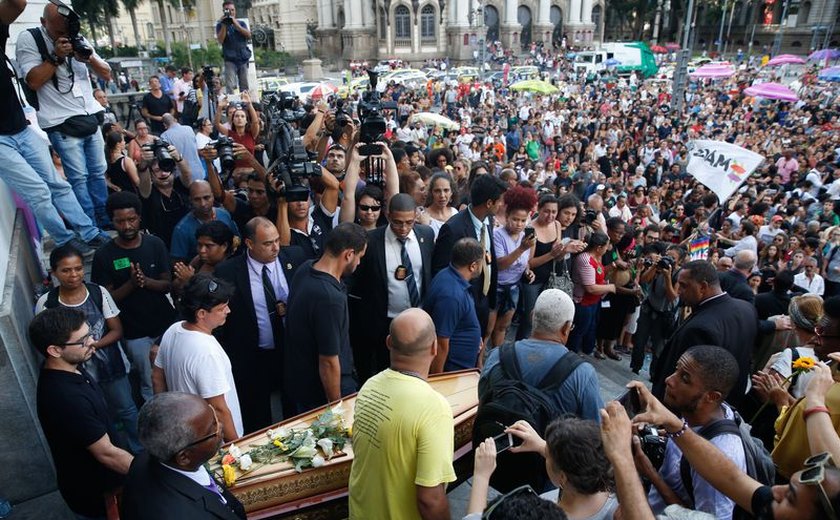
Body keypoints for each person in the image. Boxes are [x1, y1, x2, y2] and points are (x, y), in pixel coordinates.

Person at [628, 379, 840, 520]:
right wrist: (674, 424)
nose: (776, 489)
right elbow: (732, 479)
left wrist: (622, 459)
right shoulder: (776, 504)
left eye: (791, 498)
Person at [0, 0, 108, 256]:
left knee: (58, 185)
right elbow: (34, 80)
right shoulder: (31, 39)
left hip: (21, 129)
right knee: (38, 192)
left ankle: (90, 233)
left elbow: (16, 4)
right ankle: (66, 240)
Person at [348, 308, 455, 520]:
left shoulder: (369, 386)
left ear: (388, 342)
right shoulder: (434, 408)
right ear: (435, 347)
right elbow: (430, 499)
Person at [36, 244, 141, 455]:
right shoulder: (47, 303)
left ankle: (140, 451)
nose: (73, 275)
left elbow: (116, 329)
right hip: (77, 372)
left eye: (77, 268)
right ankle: (116, 454)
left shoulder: (97, 292)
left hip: (111, 364)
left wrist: (93, 345)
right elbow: (46, 342)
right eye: (66, 270)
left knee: (127, 409)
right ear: (54, 272)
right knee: (100, 416)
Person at [30, 307, 133, 519]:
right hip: (96, 497)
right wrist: (153, 476)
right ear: (54, 350)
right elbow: (106, 453)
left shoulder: (71, 366)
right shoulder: (66, 398)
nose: (92, 342)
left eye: (90, 335)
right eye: (83, 340)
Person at [214, 217, 306, 431]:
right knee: (257, 418)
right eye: (267, 243)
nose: (275, 248)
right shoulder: (228, 272)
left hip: (291, 353)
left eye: (276, 240)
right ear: (249, 243)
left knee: (295, 412)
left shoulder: (295, 257)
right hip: (252, 357)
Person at [634, 345, 746, 519]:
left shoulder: (722, 455)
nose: (669, 380)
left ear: (712, 397)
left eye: (685, 378)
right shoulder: (701, 414)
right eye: (676, 370)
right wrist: (656, 432)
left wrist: (649, 472)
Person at [92, 192, 176, 403]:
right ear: (112, 222)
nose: (127, 226)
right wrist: (131, 284)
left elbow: (167, 283)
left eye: (131, 219)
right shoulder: (104, 255)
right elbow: (105, 299)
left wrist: (145, 281)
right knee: (150, 382)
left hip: (165, 325)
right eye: (120, 221)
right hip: (134, 334)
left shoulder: (155, 244)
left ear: (139, 217)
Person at [348, 194, 435, 383]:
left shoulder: (426, 235)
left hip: (418, 321)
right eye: (397, 222)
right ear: (387, 216)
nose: (403, 228)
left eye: (409, 222)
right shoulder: (371, 240)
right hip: (383, 325)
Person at [282, 223, 367, 416]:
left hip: (301, 385)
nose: (359, 263)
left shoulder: (305, 268)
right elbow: (328, 360)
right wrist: (336, 410)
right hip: (321, 393)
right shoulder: (329, 298)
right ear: (348, 254)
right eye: (359, 257)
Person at [120, 392, 246, 520]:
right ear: (184, 457)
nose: (220, 426)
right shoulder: (185, 514)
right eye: (213, 430)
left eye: (215, 418)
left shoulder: (146, 458)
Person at [651, 260, 758, 406]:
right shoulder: (747, 309)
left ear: (703, 287)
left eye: (683, 285)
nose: (679, 291)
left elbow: (688, 382)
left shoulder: (700, 328)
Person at [469, 417, 619, 520]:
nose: (545, 451)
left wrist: (481, 476)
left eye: (548, 455)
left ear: (563, 478)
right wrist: (541, 445)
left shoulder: (545, 515)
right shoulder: (614, 499)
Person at [152, 275, 243, 441]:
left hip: (186, 431)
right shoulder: (207, 352)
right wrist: (236, 445)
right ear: (201, 313)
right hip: (212, 441)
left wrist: (168, 417)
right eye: (222, 308)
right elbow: (219, 408)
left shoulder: (173, 330)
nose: (228, 311)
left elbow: (157, 377)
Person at [432, 174, 509, 337]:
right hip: (461, 308)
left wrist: (490, 304)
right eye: (500, 200)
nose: (502, 205)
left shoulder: (487, 221)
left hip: (483, 302)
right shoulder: (453, 229)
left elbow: (489, 261)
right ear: (489, 203)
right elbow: (440, 271)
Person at [518, 194, 586, 340]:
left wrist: (566, 250)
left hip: (551, 279)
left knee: (546, 320)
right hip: (533, 281)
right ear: (539, 210)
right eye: (546, 211)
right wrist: (552, 254)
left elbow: (558, 256)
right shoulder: (531, 229)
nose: (550, 215)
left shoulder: (556, 225)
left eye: (554, 212)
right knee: (530, 319)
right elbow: (529, 262)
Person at [425, 238, 484, 373]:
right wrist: (438, 381)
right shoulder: (451, 296)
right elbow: (440, 343)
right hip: (452, 371)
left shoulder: (448, 275)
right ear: (473, 266)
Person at [490, 186, 538, 349]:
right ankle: (479, 363)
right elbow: (500, 264)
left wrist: (528, 271)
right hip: (496, 288)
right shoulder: (497, 234)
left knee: (503, 327)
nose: (519, 224)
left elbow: (526, 261)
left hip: (514, 288)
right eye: (515, 219)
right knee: (488, 329)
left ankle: (497, 358)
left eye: (523, 220)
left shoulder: (527, 236)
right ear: (507, 216)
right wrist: (522, 249)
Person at [566, 232, 616, 356]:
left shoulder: (596, 257)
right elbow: (590, 288)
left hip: (593, 302)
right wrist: (610, 287)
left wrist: (611, 267)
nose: (607, 249)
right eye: (606, 246)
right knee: (579, 330)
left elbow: (598, 273)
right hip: (583, 302)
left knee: (588, 328)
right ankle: (570, 355)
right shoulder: (585, 259)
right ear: (599, 248)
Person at [136, 141, 193, 249]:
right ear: (151, 174)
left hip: (186, 241)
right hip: (162, 245)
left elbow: (188, 175)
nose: (163, 174)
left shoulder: (180, 186)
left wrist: (178, 158)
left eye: (166, 169)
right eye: (157, 170)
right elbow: (143, 185)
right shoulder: (149, 192)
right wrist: (143, 165)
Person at [170, 180, 240, 264]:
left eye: (206, 198)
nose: (203, 203)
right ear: (190, 200)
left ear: (213, 196)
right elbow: (178, 265)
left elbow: (236, 240)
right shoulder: (181, 230)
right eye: (197, 199)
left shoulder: (224, 214)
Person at [216, 0, 251, 94]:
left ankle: (245, 106)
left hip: (242, 58)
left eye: (232, 10)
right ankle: (232, 105)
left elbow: (248, 35)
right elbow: (220, 40)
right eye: (227, 10)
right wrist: (224, 25)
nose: (230, 12)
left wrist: (236, 24)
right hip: (230, 59)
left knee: (244, 85)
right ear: (223, 11)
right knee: (230, 85)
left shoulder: (241, 23)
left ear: (235, 11)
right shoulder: (220, 25)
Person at [161, 114, 205, 182]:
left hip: (182, 176)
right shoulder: (189, 129)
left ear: (164, 125)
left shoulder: (165, 136)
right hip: (199, 171)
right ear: (175, 120)